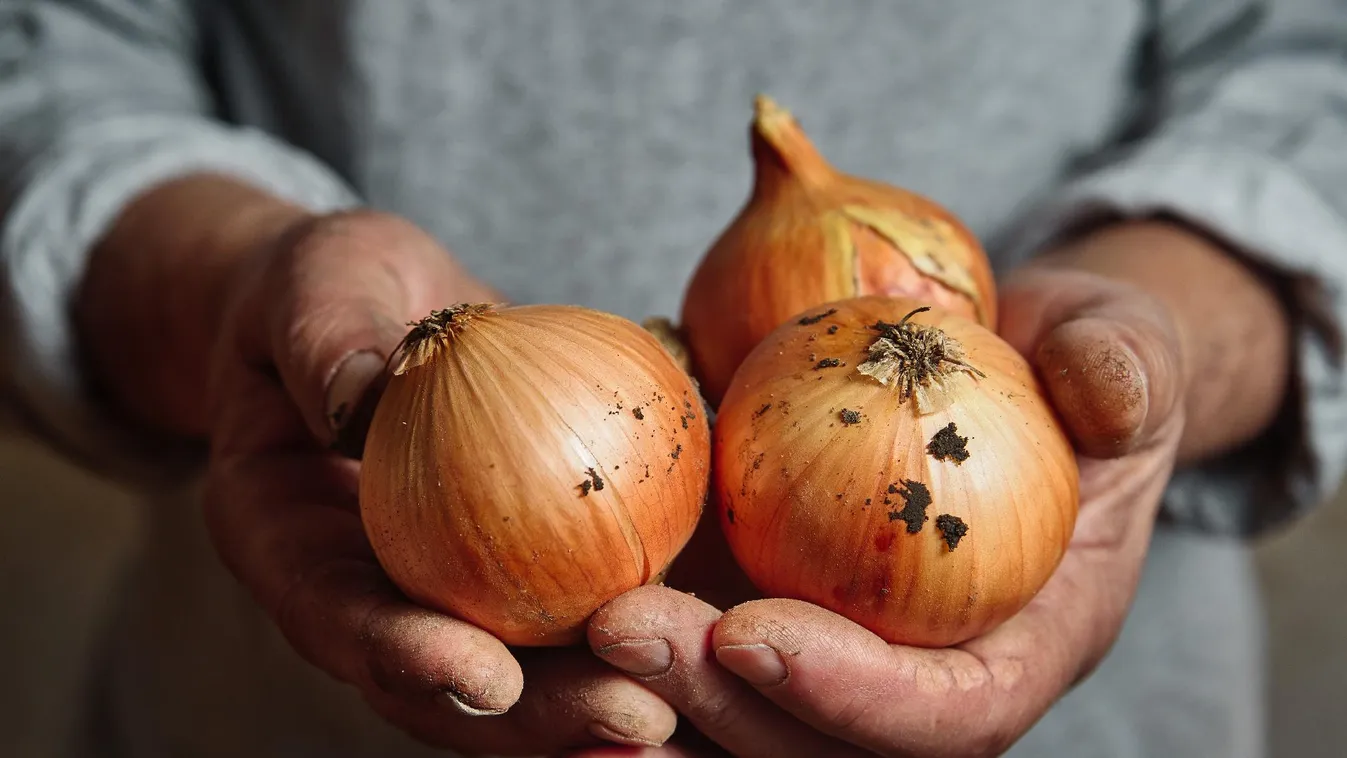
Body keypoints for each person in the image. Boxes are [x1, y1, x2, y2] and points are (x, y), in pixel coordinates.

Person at [1, 1, 1344, 756]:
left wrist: (1159, 328)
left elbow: (1314, 68)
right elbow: (45, 58)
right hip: (289, 710)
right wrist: (236, 283)